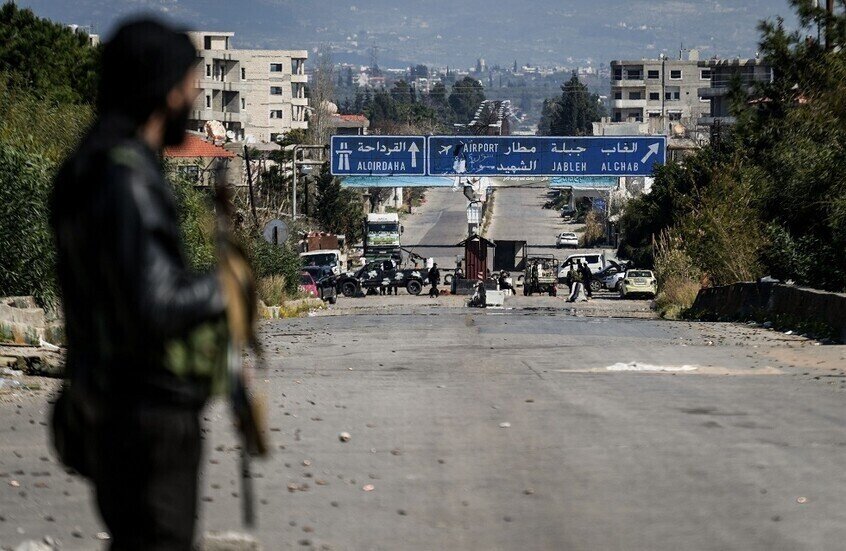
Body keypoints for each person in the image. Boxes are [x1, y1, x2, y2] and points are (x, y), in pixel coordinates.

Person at [49, 19, 252, 550]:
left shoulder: (85, 169)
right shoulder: (125, 178)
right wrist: (227, 288)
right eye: (191, 84)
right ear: (165, 90)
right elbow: (155, 304)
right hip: (148, 416)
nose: (196, 96)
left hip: (106, 404)